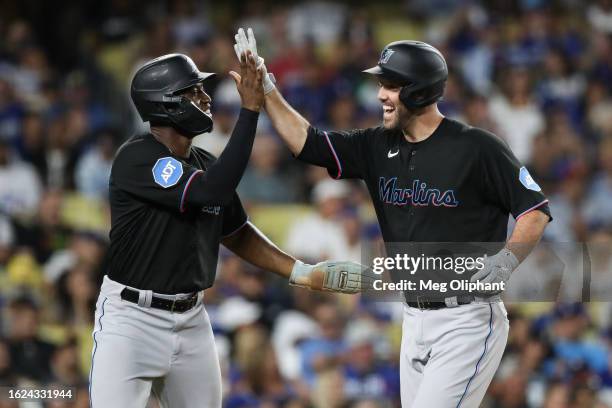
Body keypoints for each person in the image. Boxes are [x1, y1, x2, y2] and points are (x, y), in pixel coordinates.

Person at [233, 28, 552, 407]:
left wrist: (509, 257)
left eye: (390, 85)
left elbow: (535, 210)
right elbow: (310, 144)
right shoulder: (376, 144)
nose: (380, 94)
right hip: (413, 316)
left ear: (418, 91)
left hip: (466, 317)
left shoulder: (477, 148)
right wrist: (267, 89)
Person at [89, 52, 371, 408]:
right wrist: (250, 111)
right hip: (132, 320)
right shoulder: (138, 157)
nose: (205, 99)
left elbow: (236, 230)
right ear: (166, 104)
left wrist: (301, 271)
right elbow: (211, 191)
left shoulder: (203, 163)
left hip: (191, 318)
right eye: (193, 92)